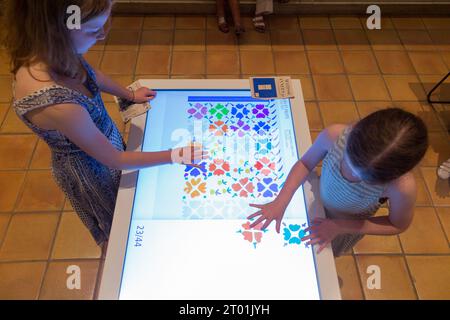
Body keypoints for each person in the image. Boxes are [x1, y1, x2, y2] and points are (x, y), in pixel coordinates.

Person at [2, 0, 207, 246]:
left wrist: (128, 95)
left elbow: (92, 75)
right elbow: (114, 160)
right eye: (92, 30)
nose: (101, 36)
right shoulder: (58, 104)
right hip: (92, 172)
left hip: (102, 144)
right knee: (117, 223)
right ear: (56, 31)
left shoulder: (58, 52)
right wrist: (176, 155)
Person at [248, 108, 429, 257]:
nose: (349, 173)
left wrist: (339, 227)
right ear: (355, 128)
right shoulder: (334, 135)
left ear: (394, 176)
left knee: (326, 256)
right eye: (348, 161)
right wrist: (281, 200)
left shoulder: (401, 188)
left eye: (362, 178)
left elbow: (397, 224)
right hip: (316, 202)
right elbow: (305, 163)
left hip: (346, 226)